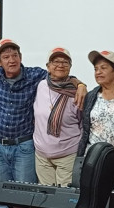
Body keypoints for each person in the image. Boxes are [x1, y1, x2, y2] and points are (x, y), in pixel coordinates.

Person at [0, 39, 86, 208]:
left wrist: (80, 83)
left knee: (31, 197)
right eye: (6, 57)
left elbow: (64, 76)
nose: (11, 60)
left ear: (21, 57)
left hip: (25, 146)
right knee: (3, 194)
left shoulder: (36, 76)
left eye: (14, 55)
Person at [33, 47, 82, 187]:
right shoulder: (41, 85)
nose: (60, 65)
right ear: (48, 67)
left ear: (70, 67)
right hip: (42, 156)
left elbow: (83, 123)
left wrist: (80, 84)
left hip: (67, 155)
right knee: (45, 200)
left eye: (65, 62)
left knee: (64, 201)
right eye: (56, 61)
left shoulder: (77, 92)